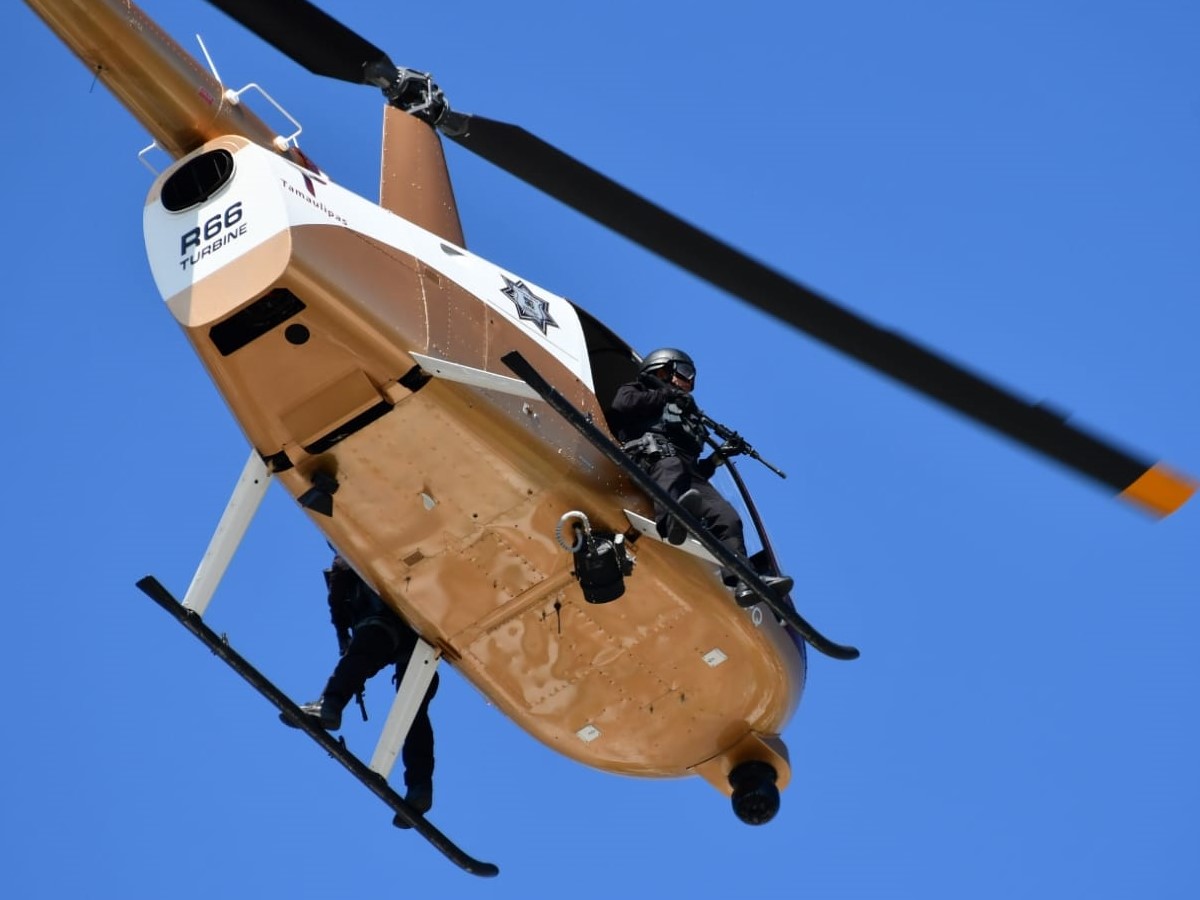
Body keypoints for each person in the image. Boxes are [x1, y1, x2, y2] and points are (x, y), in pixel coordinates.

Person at [609, 347, 793, 607]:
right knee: (670, 465)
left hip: (683, 470)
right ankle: (670, 520)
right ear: (663, 369)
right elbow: (621, 405)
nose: (689, 382)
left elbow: (692, 470)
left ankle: (744, 579)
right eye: (685, 373)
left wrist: (719, 457)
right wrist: (665, 395)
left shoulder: (683, 410)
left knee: (727, 516)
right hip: (650, 459)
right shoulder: (639, 390)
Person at [282, 553, 438, 819]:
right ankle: (420, 787)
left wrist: (343, 635)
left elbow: (338, 594)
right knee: (413, 709)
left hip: (387, 623)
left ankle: (329, 705)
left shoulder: (350, 560)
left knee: (361, 657)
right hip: (419, 636)